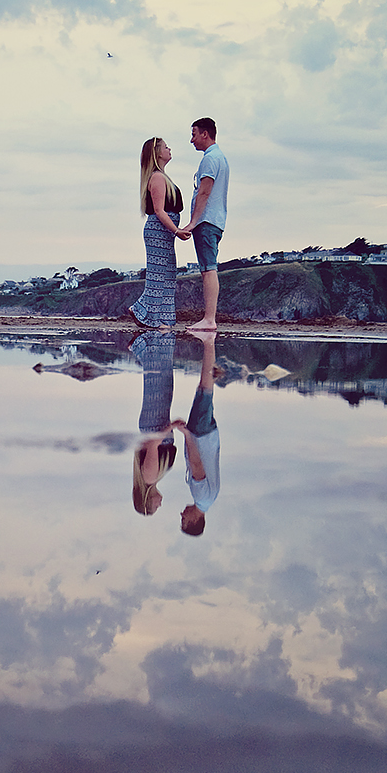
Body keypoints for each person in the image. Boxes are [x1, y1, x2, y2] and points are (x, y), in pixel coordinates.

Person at [129, 138, 183, 330]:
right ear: (157, 153)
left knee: (168, 274)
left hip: (163, 233)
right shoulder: (158, 177)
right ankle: (144, 313)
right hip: (159, 231)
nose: (169, 149)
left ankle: (163, 319)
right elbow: (160, 211)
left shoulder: (161, 176)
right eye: (166, 147)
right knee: (158, 275)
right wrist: (177, 230)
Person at [171, 331, 220, 535]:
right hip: (200, 436)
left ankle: (209, 345)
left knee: (204, 390)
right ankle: (209, 342)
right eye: (184, 521)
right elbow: (197, 465)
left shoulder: (209, 500)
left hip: (208, 436)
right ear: (193, 521)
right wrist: (187, 434)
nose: (182, 516)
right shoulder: (201, 497)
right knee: (205, 389)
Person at [184, 117, 228, 331]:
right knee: (207, 267)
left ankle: (209, 319)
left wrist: (193, 222)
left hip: (207, 220)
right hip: (214, 220)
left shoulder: (210, 159)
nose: (191, 140)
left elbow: (204, 192)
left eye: (194, 134)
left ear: (205, 133)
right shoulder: (218, 157)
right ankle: (209, 318)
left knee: (208, 268)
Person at [130, 330, 177, 515]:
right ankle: (150, 342)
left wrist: (173, 427)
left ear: (147, 499)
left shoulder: (149, 476)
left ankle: (151, 340)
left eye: (155, 507)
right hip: (155, 422)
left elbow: (153, 443)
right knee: (160, 379)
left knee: (158, 378)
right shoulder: (152, 477)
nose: (160, 505)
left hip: (154, 424)